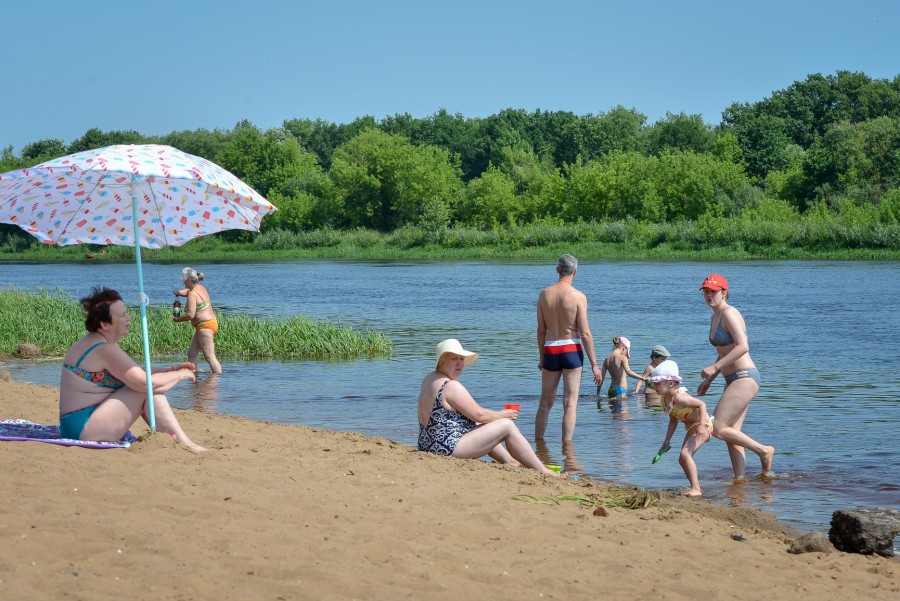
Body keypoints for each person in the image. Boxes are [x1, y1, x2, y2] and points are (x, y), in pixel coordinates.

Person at [59, 287, 208, 453]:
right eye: (122, 315)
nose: (128, 318)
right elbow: (143, 383)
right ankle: (187, 445)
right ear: (105, 324)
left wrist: (169, 370)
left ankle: (182, 442)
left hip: (78, 424)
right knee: (147, 390)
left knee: (150, 389)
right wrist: (179, 375)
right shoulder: (103, 348)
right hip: (82, 429)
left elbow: (133, 371)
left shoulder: (99, 343)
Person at [418, 339, 560, 476]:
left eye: (461, 359)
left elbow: (475, 418)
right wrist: (504, 415)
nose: (459, 364)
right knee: (506, 426)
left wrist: (492, 418)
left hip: (427, 444)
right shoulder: (451, 386)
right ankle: (542, 470)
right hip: (445, 448)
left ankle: (510, 461)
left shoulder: (430, 378)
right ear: (441, 362)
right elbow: (478, 414)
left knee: (483, 425)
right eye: (454, 359)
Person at [697, 273, 774, 479]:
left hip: (744, 377)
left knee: (717, 428)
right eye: (706, 291)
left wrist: (714, 369)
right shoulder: (715, 317)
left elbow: (742, 347)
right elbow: (723, 352)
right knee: (732, 433)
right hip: (732, 379)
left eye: (713, 291)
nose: (709, 295)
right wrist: (709, 380)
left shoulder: (730, 313)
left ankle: (763, 451)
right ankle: (740, 480)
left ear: (724, 292)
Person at [535, 254, 602, 441]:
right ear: (575, 271)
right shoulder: (578, 296)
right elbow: (585, 333)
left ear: (558, 270)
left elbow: (541, 331)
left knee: (545, 403)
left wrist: (542, 359)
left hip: (550, 349)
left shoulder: (543, 294)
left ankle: (538, 444)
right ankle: (567, 449)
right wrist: (594, 365)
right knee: (570, 403)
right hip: (571, 348)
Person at [650, 360, 712, 497]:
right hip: (692, 428)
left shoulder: (681, 398)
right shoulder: (665, 400)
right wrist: (667, 441)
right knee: (682, 458)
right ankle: (694, 486)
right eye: (653, 383)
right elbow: (673, 420)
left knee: (685, 454)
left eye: (657, 383)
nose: (654, 386)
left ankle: (696, 488)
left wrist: (702, 426)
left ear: (671, 383)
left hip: (703, 426)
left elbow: (702, 404)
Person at [173, 267, 222, 374]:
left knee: (210, 357)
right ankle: (194, 377)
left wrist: (177, 320)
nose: (182, 281)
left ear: (189, 281)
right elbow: (189, 291)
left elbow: (190, 315)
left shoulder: (192, 294)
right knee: (192, 353)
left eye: (184, 279)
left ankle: (218, 381)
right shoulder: (200, 288)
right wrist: (179, 292)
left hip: (205, 326)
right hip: (208, 324)